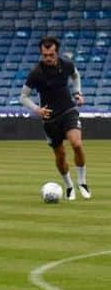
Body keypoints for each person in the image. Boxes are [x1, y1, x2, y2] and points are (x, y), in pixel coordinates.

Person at [20, 35, 90, 200]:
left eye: (51, 55)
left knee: (77, 144)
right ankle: (69, 186)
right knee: (60, 155)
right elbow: (23, 97)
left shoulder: (66, 64)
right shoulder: (36, 72)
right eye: (44, 55)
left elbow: (75, 75)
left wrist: (78, 93)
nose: (48, 58)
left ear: (57, 53)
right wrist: (37, 109)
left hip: (68, 111)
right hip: (50, 118)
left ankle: (82, 182)